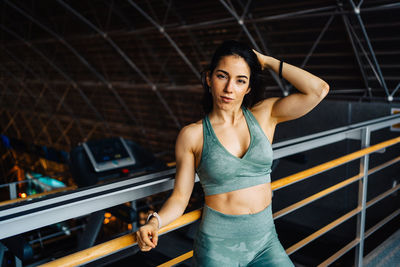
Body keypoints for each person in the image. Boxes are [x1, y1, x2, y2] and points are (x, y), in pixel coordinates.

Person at [135, 40, 329, 266]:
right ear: (208, 78)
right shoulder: (193, 135)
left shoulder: (265, 115)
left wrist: (268, 61)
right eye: (222, 76)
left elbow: (319, 90)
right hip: (218, 247)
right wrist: (153, 222)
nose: (229, 88)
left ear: (248, 88)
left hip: (266, 241)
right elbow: (180, 198)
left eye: (240, 80)